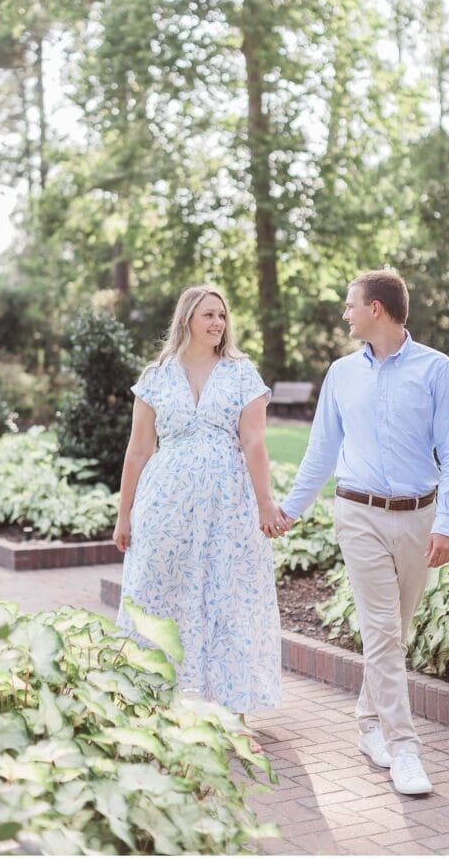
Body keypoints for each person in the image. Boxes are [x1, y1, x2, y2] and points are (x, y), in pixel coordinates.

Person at [280, 270, 449, 795]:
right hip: (357, 513)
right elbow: (320, 452)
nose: (346, 314)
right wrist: (290, 511)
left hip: (418, 517)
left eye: (350, 305)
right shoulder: (341, 374)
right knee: (383, 632)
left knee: (394, 633)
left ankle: (368, 724)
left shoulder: (436, 370)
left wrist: (448, 523)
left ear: (376, 310)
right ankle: (404, 747)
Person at [113, 285, 291, 747]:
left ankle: (234, 716)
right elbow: (138, 448)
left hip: (227, 507)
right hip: (164, 505)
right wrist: (124, 514)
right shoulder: (156, 376)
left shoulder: (241, 374)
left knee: (229, 597)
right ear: (187, 318)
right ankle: (152, 703)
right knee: (156, 594)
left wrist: (265, 503)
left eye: (222, 316)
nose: (217, 323)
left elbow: (254, 443)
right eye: (209, 314)